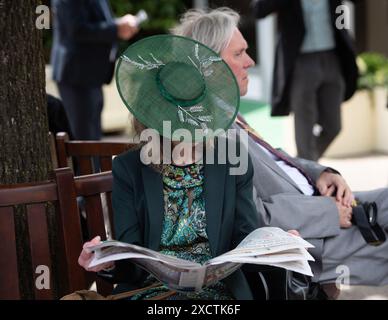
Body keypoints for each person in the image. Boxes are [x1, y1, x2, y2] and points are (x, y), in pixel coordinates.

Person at [171, 7, 388, 298]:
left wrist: (320, 172)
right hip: (304, 236)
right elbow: (252, 217)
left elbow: (275, 158)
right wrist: (327, 212)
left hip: (316, 204)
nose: (250, 62)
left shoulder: (228, 115)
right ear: (208, 65)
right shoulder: (207, 136)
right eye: (239, 54)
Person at [77, 34, 298, 300]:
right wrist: (107, 261)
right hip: (151, 293)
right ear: (150, 115)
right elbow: (130, 261)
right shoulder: (129, 168)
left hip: (221, 293)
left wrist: (277, 246)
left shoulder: (230, 159)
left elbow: (245, 237)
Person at [252, 0, 359, 161]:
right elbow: (258, 10)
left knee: (333, 126)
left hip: (332, 58)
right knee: (304, 125)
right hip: (301, 62)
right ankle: (306, 166)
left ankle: (303, 165)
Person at [50, 0, 139, 141]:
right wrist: (116, 29)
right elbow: (77, 30)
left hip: (93, 75)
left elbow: (97, 20)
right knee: (84, 140)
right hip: (77, 75)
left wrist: (120, 25)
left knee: (93, 139)